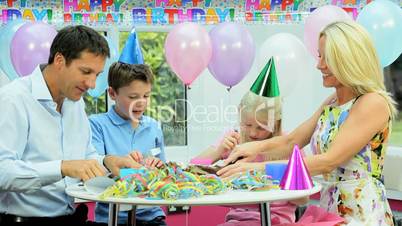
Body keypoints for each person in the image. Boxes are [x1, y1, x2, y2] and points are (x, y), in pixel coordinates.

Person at [218, 21, 397, 225]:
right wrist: (252, 148)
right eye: (320, 56)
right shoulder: (332, 102)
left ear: (348, 60)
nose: (319, 65)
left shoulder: (372, 102)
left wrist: (257, 169)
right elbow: (291, 141)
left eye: (327, 59)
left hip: (362, 213)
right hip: (330, 207)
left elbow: (328, 161)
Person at [0, 25, 140, 226]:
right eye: (86, 71)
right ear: (59, 61)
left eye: (97, 75)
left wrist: (107, 162)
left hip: (70, 217)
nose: (92, 84)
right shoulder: (13, 100)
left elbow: (85, 158)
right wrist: (62, 167)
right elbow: (3, 172)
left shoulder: (75, 103)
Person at [195, 58, 298, 226]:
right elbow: (194, 166)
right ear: (239, 113)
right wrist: (218, 151)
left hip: (277, 221)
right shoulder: (234, 139)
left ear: (275, 123)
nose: (252, 133)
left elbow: (303, 199)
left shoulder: (287, 146)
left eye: (261, 127)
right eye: (247, 124)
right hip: (237, 221)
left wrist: (284, 177)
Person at [89, 62, 167, 226]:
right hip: (112, 217)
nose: (141, 102)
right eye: (133, 97)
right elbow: (95, 175)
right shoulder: (97, 125)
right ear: (112, 93)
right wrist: (130, 168)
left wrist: (159, 167)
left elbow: (165, 175)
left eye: (146, 96)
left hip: (152, 216)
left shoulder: (154, 127)